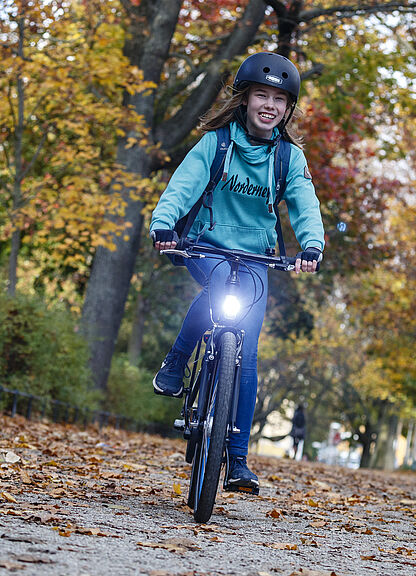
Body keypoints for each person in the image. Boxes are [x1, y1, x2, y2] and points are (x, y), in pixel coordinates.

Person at [148, 52, 325, 491]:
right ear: (245, 100)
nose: (269, 105)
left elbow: (305, 204)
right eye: (261, 95)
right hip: (207, 246)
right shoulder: (217, 143)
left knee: (247, 352)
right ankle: (176, 361)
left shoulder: (289, 159)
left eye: (279, 99)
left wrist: (312, 245)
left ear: (287, 109)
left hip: (257, 260)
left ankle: (239, 460)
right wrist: (164, 224)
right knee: (213, 297)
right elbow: (183, 184)